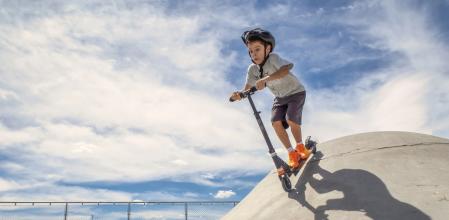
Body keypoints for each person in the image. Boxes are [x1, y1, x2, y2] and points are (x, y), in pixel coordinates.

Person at [230, 28, 310, 170]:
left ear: (268, 48)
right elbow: (248, 87)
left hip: (296, 92)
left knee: (291, 119)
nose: (254, 54)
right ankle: (292, 153)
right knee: (275, 122)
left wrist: (267, 79)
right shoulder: (252, 69)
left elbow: (287, 68)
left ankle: (300, 147)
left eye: (257, 49)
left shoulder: (273, 58)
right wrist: (240, 95)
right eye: (251, 51)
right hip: (280, 97)